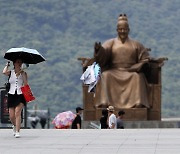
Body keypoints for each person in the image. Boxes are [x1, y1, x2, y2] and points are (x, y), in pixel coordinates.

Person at [94, 14, 150, 109]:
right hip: (114, 71)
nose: (123, 31)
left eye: (125, 29)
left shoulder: (136, 44)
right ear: (117, 30)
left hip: (130, 71)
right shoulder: (110, 43)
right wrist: (98, 50)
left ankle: (138, 103)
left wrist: (139, 65)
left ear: (128, 30)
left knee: (137, 77)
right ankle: (104, 103)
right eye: (120, 29)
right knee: (105, 75)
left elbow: (145, 58)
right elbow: (103, 56)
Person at [2, 59, 27, 138]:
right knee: (11, 116)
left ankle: (18, 131)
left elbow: (26, 84)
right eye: (17, 62)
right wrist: (7, 65)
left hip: (20, 94)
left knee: (17, 112)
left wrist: (22, 74)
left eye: (20, 62)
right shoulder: (11, 73)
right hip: (11, 94)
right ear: (14, 63)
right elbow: (4, 72)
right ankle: (15, 125)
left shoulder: (24, 73)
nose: (19, 64)